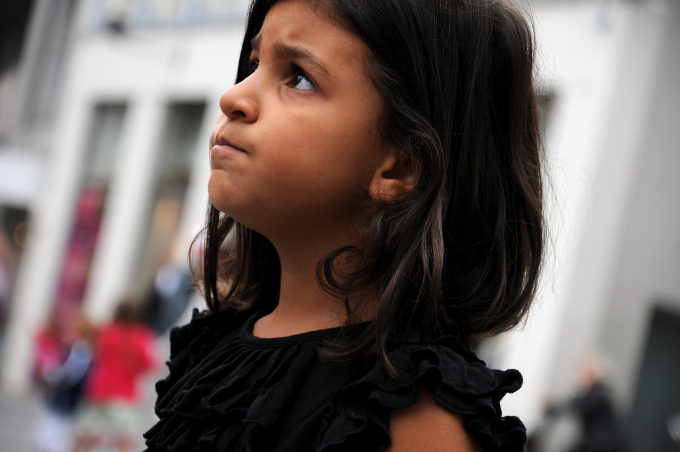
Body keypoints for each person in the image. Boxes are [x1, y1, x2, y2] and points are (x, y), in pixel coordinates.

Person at [143, 0, 544, 450]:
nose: (233, 97)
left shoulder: (410, 413)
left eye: (299, 78)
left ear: (400, 167)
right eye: (254, 65)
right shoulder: (213, 346)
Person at [75, 299, 156, 452]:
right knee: (124, 443)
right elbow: (149, 365)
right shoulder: (141, 336)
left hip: (99, 392)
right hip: (125, 397)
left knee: (84, 439)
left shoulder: (106, 331)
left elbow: (94, 351)